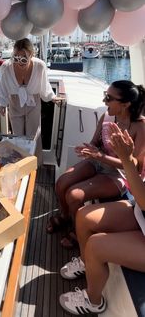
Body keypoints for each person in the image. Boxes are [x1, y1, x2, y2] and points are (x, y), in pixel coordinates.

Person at [59, 124, 145, 315]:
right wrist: (127, 155)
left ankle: (93, 301)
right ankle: (86, 261)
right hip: (140, 214)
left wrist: (125, 159)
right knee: (83, 217)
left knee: (96, 246)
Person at [46, 80, 145, 247]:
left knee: (73, 195)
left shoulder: (140, 127)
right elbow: (95, 143)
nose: (104, 101)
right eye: (105, 96)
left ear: (125, 104)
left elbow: (136, 167)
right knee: (61, 183)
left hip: (120, 174)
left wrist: (99, 156)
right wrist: (88, 149)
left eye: (109, 98)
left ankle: (79, 231)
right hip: (99, 162)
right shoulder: (106, 116)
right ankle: (65, 216)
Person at [0, 38, 62, 160]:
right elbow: (3, 87)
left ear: (31, 55)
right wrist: (2, 103)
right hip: (15, 103)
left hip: (33, 102)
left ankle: (34, 163)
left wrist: (52, 97)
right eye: (15, 57)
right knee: (18, 135)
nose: (19, 62)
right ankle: (20, 161)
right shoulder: (6, 67)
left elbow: (44, 85)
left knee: (34, 135)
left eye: (24, 58)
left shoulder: (40, 66)